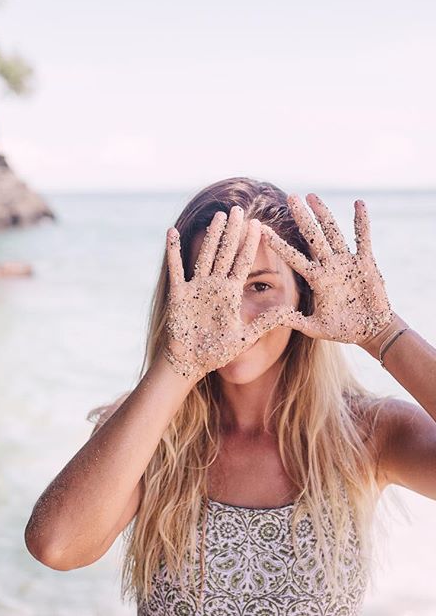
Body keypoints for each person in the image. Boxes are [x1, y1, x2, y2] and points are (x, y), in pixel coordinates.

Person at [24, 177, 436, 615]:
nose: (232, 316)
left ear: (305, 297)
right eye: (211, 286)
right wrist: (180, 363)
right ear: (178, 297)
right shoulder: (148, 433)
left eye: (259, 286)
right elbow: (58, 546)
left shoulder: (369, 433)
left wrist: (382, 331)